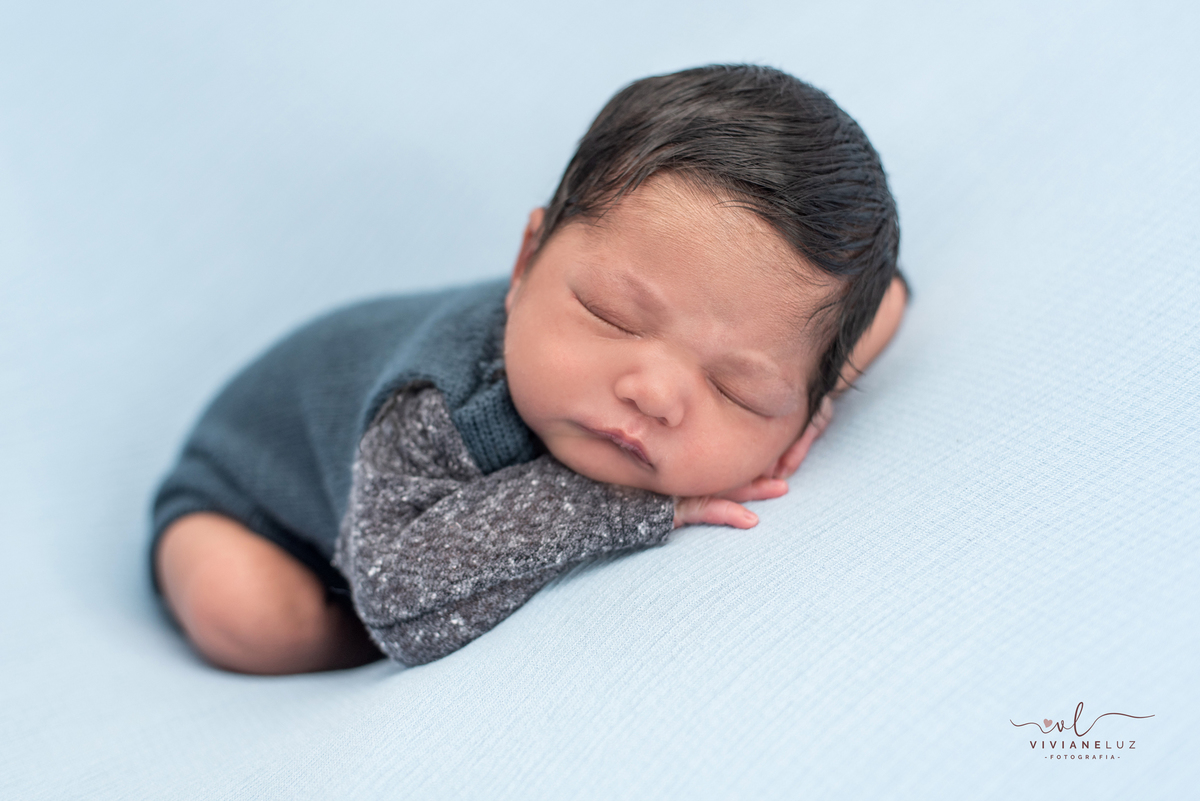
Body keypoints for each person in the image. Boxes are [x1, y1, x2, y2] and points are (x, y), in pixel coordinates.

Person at [152, 64, 909, 675]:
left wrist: (813, 397)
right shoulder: (440, 408)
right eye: (614, 315)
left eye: (736, 387)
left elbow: (887, 299)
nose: (656, 392)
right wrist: (628, 508)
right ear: (526, 263)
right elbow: (394, 595)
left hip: (381, 524)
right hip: (250, 494)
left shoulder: (785, 360)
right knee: (247, 617)